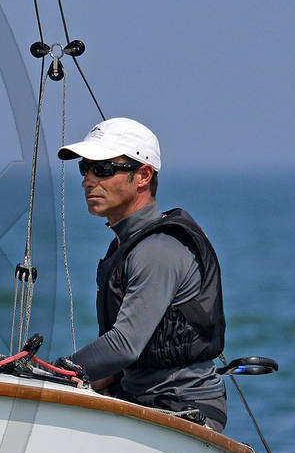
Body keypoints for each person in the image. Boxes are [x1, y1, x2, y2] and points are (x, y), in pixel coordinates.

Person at [55, 117, 227, 430]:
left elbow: (124, 345)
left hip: (182, 408)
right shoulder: (125, 245)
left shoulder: (158, 249)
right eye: (85, 168)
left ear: (143, 176)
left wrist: (53, 374)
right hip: (140, 399)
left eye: (103, 169)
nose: (87, 181)